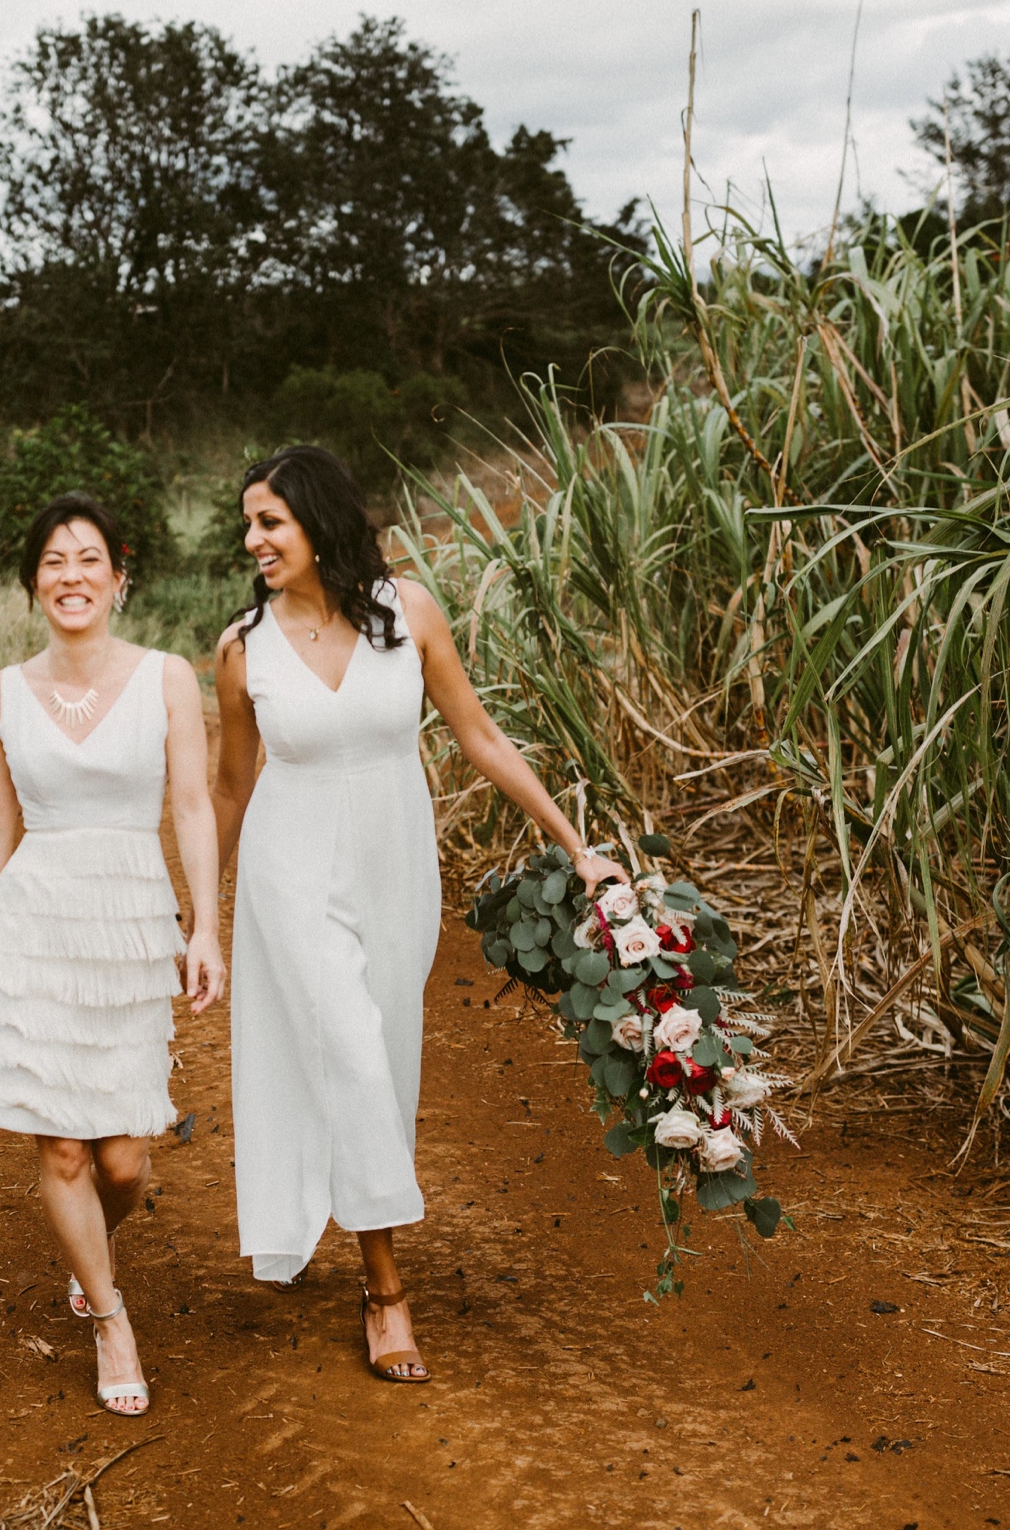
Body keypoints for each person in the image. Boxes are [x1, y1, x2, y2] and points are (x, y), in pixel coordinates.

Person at [210, 445, 621, 1384]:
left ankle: (344, 1202)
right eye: (249, 523)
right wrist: (193, 911)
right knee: (349, 1045)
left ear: (317, 520)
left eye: (269, 521)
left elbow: (478, 735)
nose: (253, 539)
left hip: (395, 864)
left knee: (382, 1058)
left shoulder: (410, 613)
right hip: (289, 865)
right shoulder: (243, 646)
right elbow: (230, 787)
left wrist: (573, 842)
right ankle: (385, 1286)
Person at [0, 492, 225, 1419]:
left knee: (125, 1160)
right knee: (61, 1144)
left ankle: (88, 1249)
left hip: (128, 920)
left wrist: (205, 926)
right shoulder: (2, 691)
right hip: (36, 922)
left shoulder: (166, 678)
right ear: (34, 583)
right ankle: (109, 1313)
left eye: (88, 559)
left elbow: (190, 806)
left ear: (118, 578)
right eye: (54, 561)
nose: (72, 575)